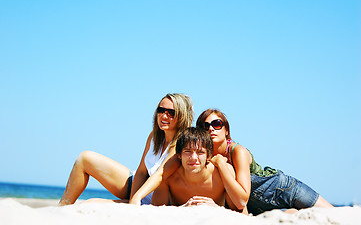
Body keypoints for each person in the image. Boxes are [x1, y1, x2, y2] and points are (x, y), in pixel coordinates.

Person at [58, 93, 193, 206]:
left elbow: (160, 175)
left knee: (90, 203)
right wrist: (133, 199)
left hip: (154, 199)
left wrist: (136, 199)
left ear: (181, 116)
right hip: (135, 187)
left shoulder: (181, 144)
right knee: (85, 158)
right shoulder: (154, 136)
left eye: (171, 113)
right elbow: (141, 171)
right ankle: (62, 207)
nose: (164, 116)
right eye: (161, 110)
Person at [196, 109, 334, 215]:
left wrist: (220, 163)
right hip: (260, 207)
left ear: (226, 130)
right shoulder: (205, 157)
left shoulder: (238, 152)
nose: (211, 129)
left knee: (334, 214)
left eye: (217, 124)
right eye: (205, 126)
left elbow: (241, 198)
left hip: (283, 189)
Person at [152, 127, 240, 212]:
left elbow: (240, 213)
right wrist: (182, 209)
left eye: (200, 152)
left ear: (208, 156)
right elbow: (155, 212)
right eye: (187, 151)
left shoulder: (222, 173)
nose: (193, 158)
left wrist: (216, 209)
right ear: (179, 155)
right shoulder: (168, 176)